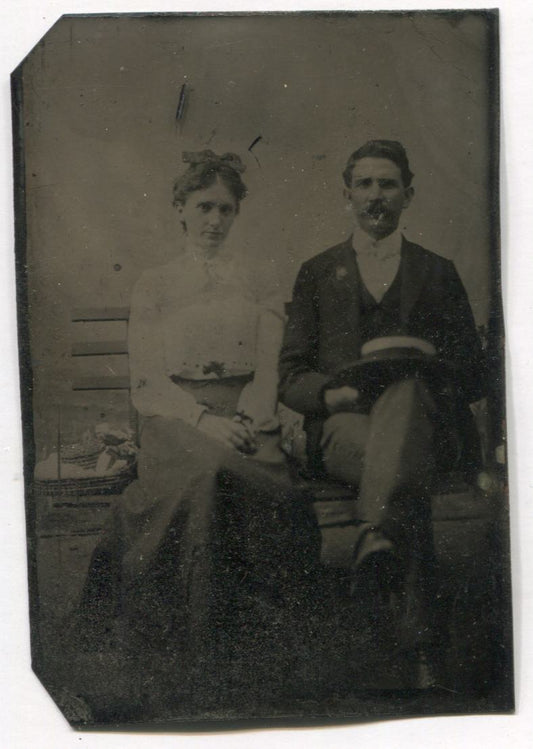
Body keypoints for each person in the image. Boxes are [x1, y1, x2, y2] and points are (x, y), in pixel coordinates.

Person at [79, 150, 319, 712]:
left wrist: (253, 416)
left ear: (237, 215)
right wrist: (205, 420)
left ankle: (255, 662)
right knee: (207, 473)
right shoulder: (156, 283)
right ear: (180, 210)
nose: (215, 220)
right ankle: (192, 659)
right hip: (176, 419)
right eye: (203, 207)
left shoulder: (258, 278)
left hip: (247, 418)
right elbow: (147, 384)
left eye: (226, 209)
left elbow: (268, 367)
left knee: (258, 488)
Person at [278, 140, 485, 684]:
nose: (376, 196)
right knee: (402, 474)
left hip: (425, 422)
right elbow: (291, 374)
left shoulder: (438, 272)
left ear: (408, 195)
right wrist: (331, 395)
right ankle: (422, 649)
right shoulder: (318, 272)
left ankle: (375, 541)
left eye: (387, 184)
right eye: (365, 184)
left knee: (410, 402)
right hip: (344, 427)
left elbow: (474, 371)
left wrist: (426, 371)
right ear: (347, 194)